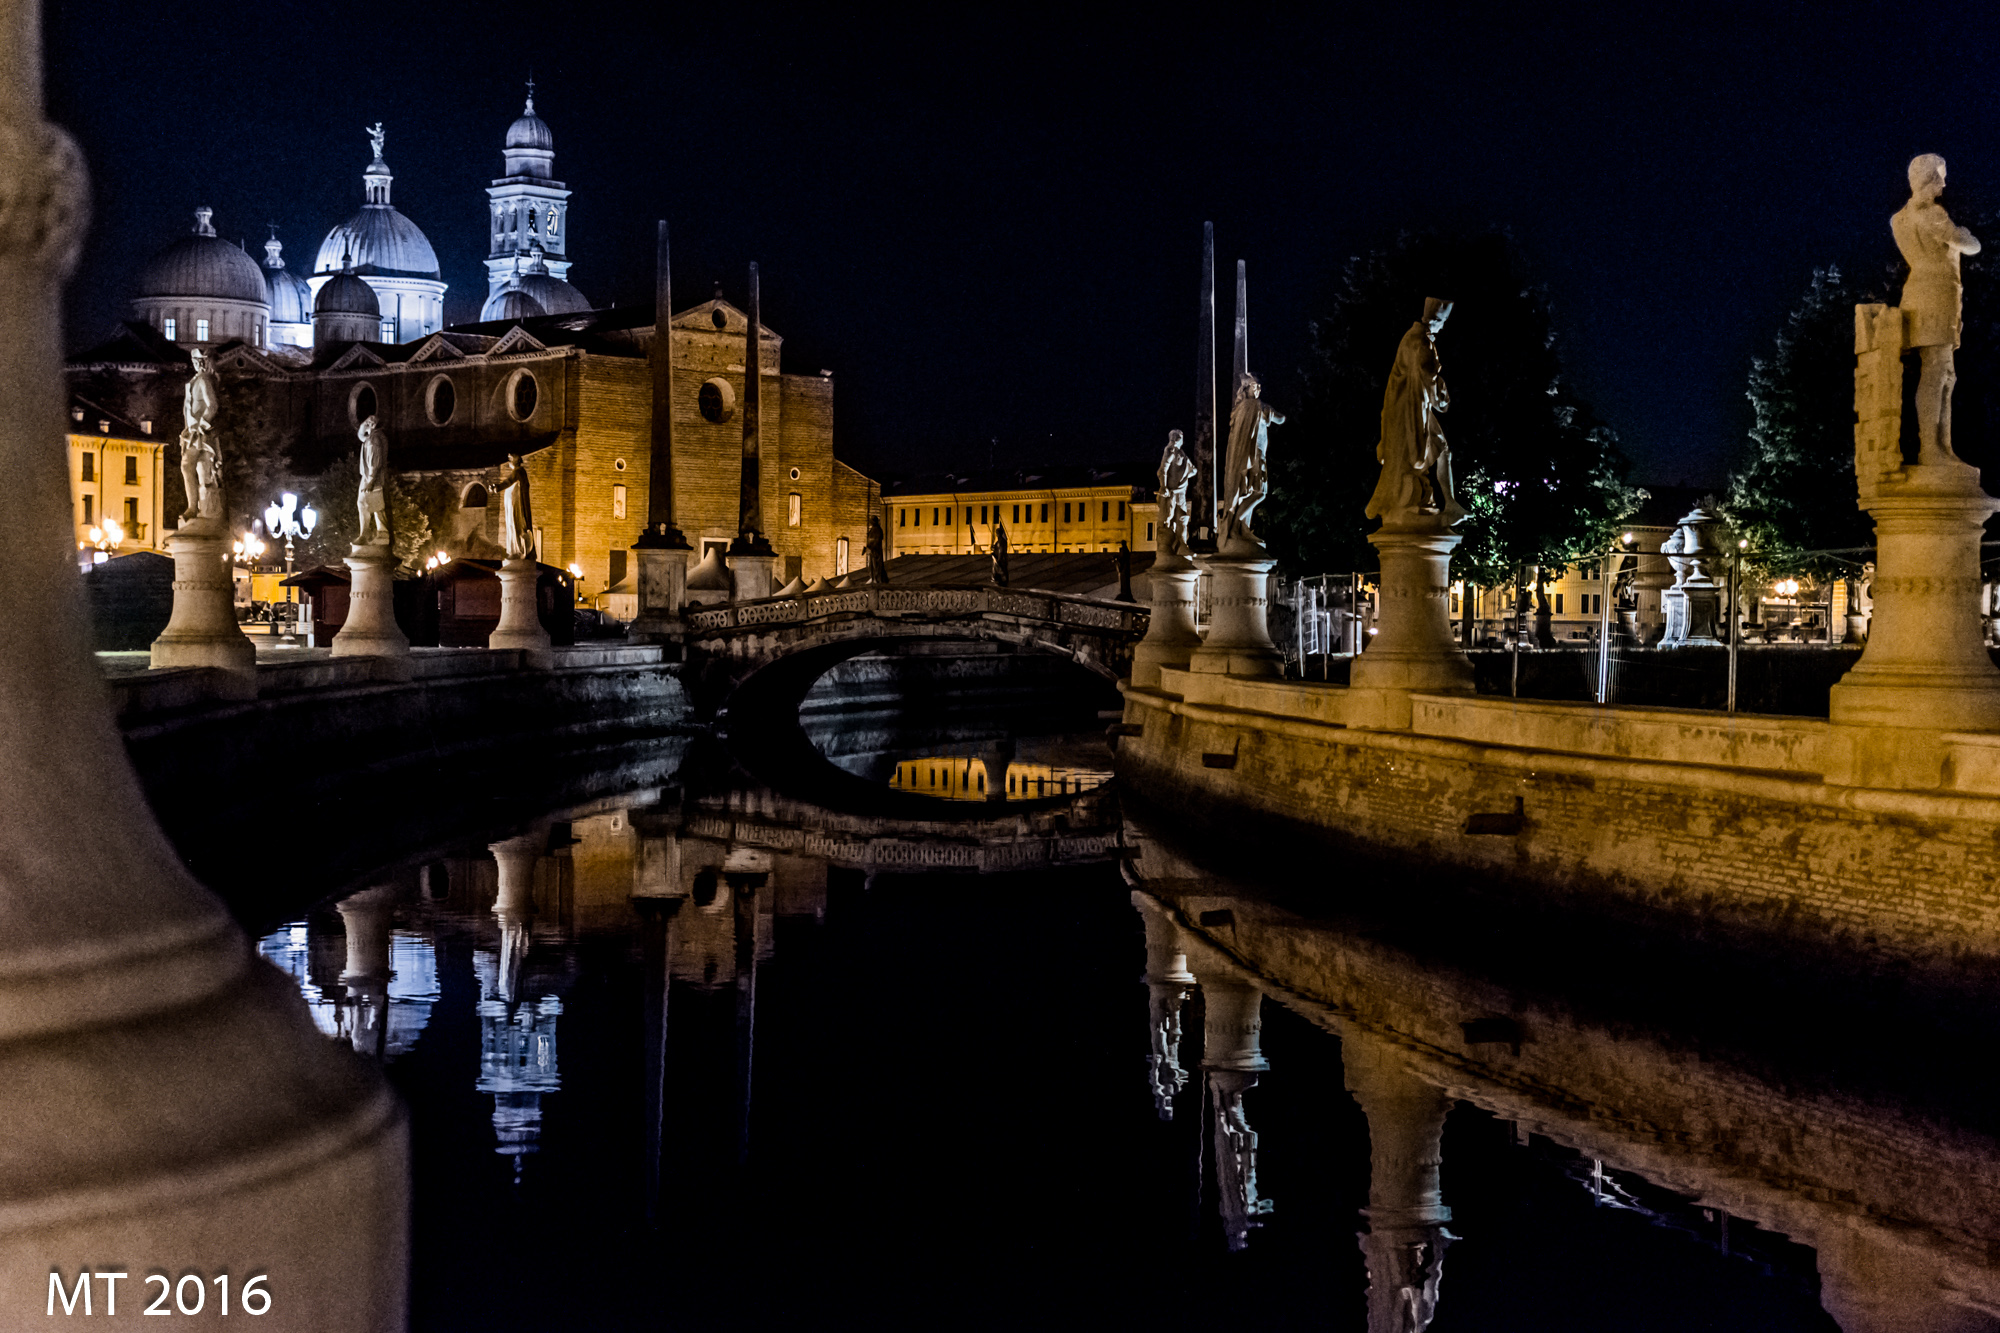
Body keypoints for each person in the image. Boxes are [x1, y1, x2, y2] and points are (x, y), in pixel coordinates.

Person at [1893, 154, 1981, 464]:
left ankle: (1941, 448)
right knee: (1937, 372)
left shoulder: (1899, 219)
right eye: (1940, 176)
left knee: (1943, 372)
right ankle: (1932, 449)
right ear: (1928, 179)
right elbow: (1971, 245)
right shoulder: (1933, 215)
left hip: (1917, 293)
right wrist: (1966, 235)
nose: (1944, 183)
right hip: (1937, 295)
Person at [1366, 298, 1465, 527]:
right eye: (1443, 321)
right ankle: (1412, 503)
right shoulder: (1419, 342)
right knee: (1419, 457)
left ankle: (1449, 502)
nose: (1443, 326)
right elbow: (1428, 378)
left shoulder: (1414, 338)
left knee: (1440, 449)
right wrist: (1443, 399)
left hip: (1412, 407)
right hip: (1410, 410)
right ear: (1436, 319)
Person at [1220, 376, 1284, 550]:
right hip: (1254, 456)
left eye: (1259, 386)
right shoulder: (1255, 406)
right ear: (1246, 388)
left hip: (1250, 457)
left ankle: (1241, 527)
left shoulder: (1244, 408)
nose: (1258, 389)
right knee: (1260, 491)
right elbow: (1280, 419)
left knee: (1251, 492)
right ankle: (1236, 526)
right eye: (1255, 386)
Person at [178, 347, 221, 522]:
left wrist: (202, 424)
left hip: (200, 432)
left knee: (187, 465)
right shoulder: (195, 381)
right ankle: (203, 510)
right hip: (193, 432)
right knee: (202, 471)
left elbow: (213, 405)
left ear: (203, 362)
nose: (195, 364)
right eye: (194, 361)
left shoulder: (203, 380)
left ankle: (193, 508)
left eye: (198, 361)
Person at [1157, 428, 1194, 558]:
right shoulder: (1170, 451)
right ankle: (1165, 547)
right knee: (1168, 517)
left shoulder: (1181, 453)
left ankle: (1182, 545)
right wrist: (1163, 486)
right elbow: (1163, 469)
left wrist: (1189, 473)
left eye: (1178, 437)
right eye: (1177, 437)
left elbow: (1191, 470)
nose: (1177, 439)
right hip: (1171, 491)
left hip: (1181, 491)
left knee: (1182, 518)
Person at [355, 416, 390, 546]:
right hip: (374, 476)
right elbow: (361, 436)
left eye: (366, 423)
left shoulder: (373, 440)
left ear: (372, 425)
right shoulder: (375, 437)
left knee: (364, 504)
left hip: (371, 477)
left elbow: (374, 462)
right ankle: (381, 532)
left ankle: (366, 535)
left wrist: (370, 481)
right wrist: (362, 427)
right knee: (375, 504)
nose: (363, 424)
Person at [494, 454, 535, 561]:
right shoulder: (519, 472)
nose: (508, 462)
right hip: (513, 507)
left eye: (510, 459)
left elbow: (508, 481)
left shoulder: (518, 472)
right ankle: (514, 550)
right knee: (512, 527)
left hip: (517, 508)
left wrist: (497, 487)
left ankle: (518, 550)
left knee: (516, 527)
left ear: (515, 461)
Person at [865, 514, 889, 584]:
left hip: (876, 552)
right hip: (872, 551)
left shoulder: (878, 529)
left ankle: (877, 579)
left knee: (876, 566)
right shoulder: (873, 529)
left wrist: (871, 547)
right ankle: (873, 578)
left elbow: (877, 540)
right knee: (872, 566)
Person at [990, 521, 1009, 588]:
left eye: (997, 533)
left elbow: (1001, 550)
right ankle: (1001, 581)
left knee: (1000, 571)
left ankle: (1000, 581)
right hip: (1001, 559)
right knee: (1001, 571)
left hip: (1000, 559)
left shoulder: (1001, 541)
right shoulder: (1001, 541)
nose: (996, 534)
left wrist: (998, 559)